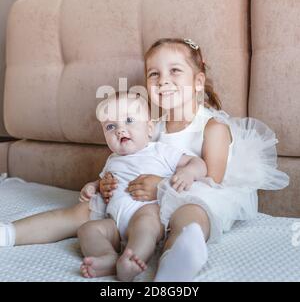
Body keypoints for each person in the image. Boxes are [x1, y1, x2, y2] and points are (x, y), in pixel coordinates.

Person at [99, 38, 289, 282]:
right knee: (145, 218)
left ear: (198, 82)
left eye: (174, 70)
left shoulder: (212, 127)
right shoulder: (152, 127)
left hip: (203, 195)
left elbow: (213, 180)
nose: (163, 80)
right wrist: (109, 182)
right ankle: (157, 248)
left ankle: (177, 256)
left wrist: (160, 185)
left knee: (190, 213)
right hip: (150, 207)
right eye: (154, 73)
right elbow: (134, 161)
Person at [0, 91, 207, 282]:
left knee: (145, 227)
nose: (120, 130)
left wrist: (188, 172)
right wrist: (92, 186)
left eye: (129, 120)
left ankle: (132, 259)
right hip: (113, 220)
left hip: (146, 209)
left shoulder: (160, 151)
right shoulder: (113, 159)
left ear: (150, 128)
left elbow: (197, 163)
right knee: (87, 229)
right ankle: (106, 257)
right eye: (110, 126)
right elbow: (104, 181)